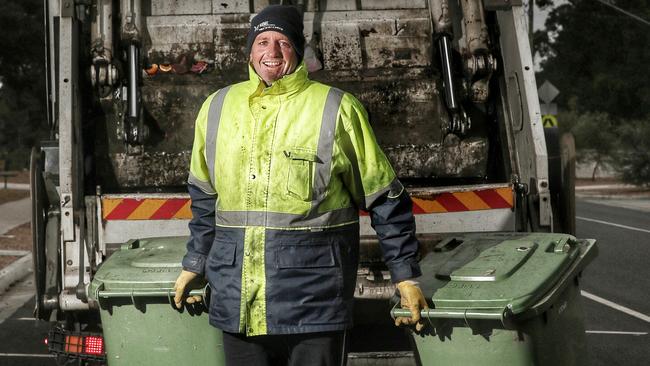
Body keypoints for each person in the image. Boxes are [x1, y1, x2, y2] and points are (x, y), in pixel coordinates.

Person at [173, 5, 427, 366]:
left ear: (298, 50)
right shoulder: (217, 107)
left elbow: (385, 198)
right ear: (249, 50)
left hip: (314, 306)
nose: (271, 52)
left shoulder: (336, 109)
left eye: (283, 43)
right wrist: (194, 263)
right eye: (262, 41)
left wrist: (405, 276)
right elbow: (204, 202)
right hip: (238, 302)